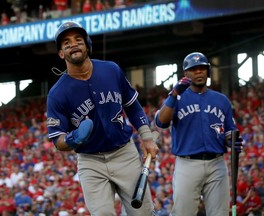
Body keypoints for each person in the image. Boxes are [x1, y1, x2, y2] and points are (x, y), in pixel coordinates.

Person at [46, 21, 159, 215]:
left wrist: (147, 137)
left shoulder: (111, 70)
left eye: (78, 40)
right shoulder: (57, 93)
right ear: (61, 54)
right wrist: (73, 138)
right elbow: (58, 140)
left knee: (143, 212)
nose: (73, 44)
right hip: (91, 161)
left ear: (87, 45)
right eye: (66, 43)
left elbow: (132, 106)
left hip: (124, 154)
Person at [154, 52, 243, 216]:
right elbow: (161, 122)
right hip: (187, 165)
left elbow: (230, 130)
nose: (199, 72)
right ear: (185, 74)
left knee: (220, 213)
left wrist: (232, 139)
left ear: (208, 71)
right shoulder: (177, 98)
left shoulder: (221, 99)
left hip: (217, 164)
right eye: (194, 69)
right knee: (183, 213)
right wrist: (173, 95)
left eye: (202, 68)